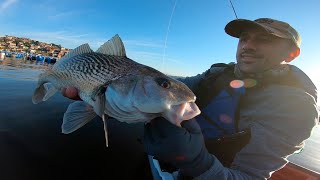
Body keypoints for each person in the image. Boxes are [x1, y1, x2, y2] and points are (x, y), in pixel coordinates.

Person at [62, 18, 319, 179]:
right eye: (244, 38)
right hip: (160, 162)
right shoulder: (218, 73)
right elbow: (168, 89)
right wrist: (107, 93)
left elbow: (249, 176)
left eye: (264, 40)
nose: (248, 45)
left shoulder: (297, 108)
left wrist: (197, 163)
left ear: (292, 54)